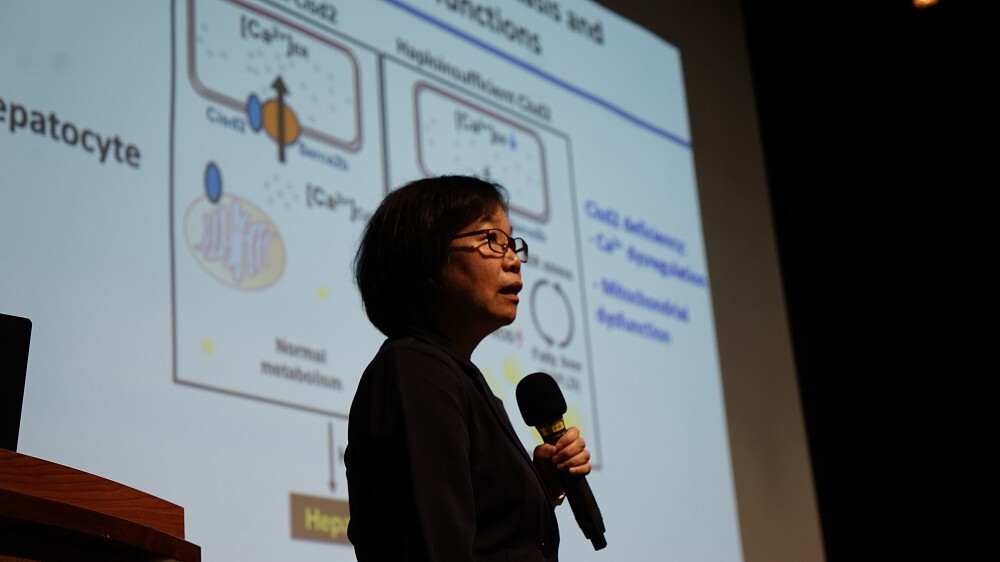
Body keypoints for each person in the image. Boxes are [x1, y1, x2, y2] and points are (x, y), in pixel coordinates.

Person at [346, 175, 591, 561]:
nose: (513, 260)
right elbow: (431, 543)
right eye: (492, 240)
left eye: (512, 244)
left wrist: (539, 488)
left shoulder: (457, 377)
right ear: (426, 257)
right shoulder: (415, 368)